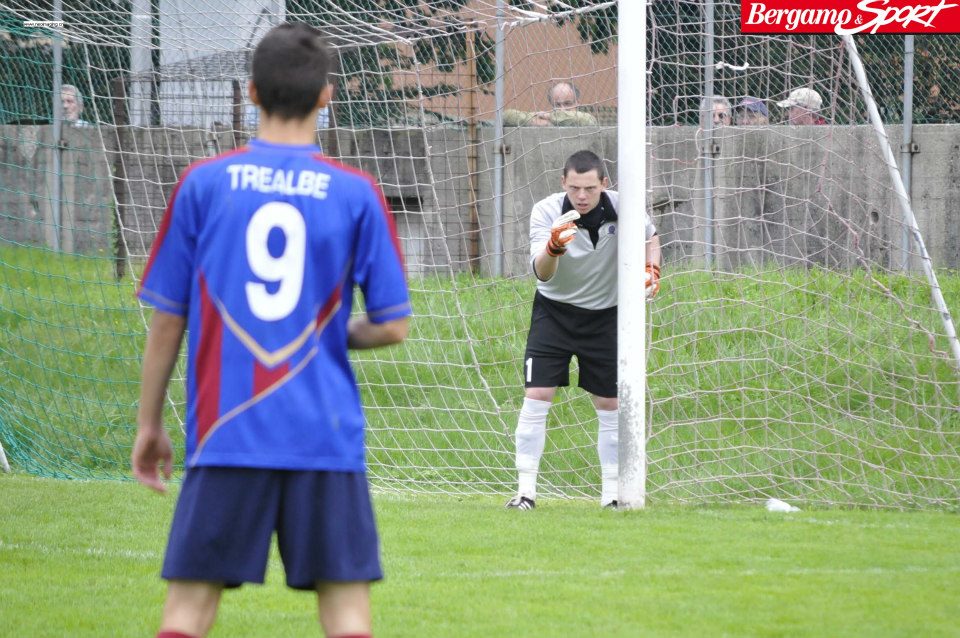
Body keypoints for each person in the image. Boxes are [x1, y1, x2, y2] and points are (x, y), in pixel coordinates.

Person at [131, 22, 411, 638]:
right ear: (326, 96)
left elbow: (168, 319)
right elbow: (393, 327)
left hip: (227, 432)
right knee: (346, 617)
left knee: (186, 614)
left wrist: (150, 425)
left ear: (252, 92)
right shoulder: (357, 194)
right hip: (325, 436)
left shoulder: (203, 184)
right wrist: (331, 336)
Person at [505, 150, 662, 510]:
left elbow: (651, 238)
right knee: (537, 395)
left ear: (604, 184)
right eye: (574, 187)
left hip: (606, 315)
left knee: (609, 403)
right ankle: (525, 493)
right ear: (563, 182)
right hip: (554, 313)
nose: (582, 196)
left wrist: (653, 270)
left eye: (590, 187)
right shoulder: (546, 211)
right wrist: (553, 247)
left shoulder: (626, 207)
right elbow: (542, 273)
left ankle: (611, 496)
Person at [503, 81, 598, 127]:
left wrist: (550, 117)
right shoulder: (543, 119)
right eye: (557, 105)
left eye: (568, 104)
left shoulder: (584, 120)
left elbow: (589, 120)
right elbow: (506, 116)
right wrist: (536, 122)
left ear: (577, 104)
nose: (562, 109)